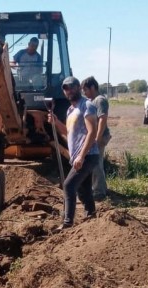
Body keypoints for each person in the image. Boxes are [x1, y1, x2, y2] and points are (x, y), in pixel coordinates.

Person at [48, 76, 99, 231]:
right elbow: (69, 132)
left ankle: (67, 223)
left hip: (88, 155)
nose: (68, 90)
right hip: (80, 156)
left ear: (78, 87)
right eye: (65, 88)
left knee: (69, 185)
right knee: (84, 191)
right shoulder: (70, 110)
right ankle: (91, 218)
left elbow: (92, 132)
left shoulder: (87, 105)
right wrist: (56, 123)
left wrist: (81, 156)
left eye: (71, 87)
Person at [81, 76, 111, 201]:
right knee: (95, 163)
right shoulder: (94, 100)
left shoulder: (100, 100)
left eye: (86, 90)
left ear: (93, 87)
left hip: (99, 136)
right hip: (97, 136)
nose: (85, 94)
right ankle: (99, 188)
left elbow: (102, 119)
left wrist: (97, 138)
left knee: (96, 163)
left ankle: (99, 192)